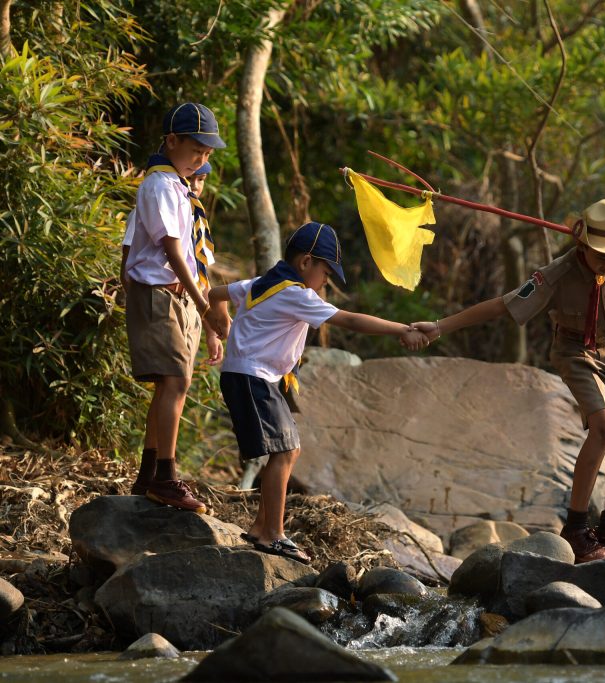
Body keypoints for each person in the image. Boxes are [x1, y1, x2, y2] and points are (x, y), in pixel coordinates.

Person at [412, 199, 605, 563]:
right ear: (582, 244)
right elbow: (503, 305)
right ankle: (576, 528)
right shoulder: (555, 275)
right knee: (604, 427)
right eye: (602, 255)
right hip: (576, 351)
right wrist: (439, 327)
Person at [209, 222, 429, 564]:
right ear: (306, 262)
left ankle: (260, 527)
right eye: (326, 273)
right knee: (284, 452)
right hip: (253, 377)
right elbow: (351, 321)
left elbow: (215, 294)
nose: (326, 282)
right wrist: (402, 329)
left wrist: (218, 319)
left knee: (286, 452)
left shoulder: (264, 284)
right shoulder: (295, 293)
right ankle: (273, 535)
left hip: (252, 377)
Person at [123, 102, 230, 513]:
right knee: (175, 384)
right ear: (171, 141)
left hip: (175, 295)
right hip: (160, 293)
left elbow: (187, 251)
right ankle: (166, 478)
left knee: (172, 384)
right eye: (196, 151)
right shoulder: (161, 186)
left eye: (207, 155)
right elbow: (169, 248)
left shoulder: (179, 189)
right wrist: (206, 306)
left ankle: (149, 474)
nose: (201, 160)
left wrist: (202, 310)